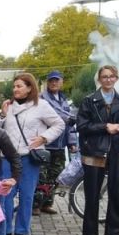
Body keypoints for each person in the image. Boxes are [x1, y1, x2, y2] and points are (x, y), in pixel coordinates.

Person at [0, 73, 65, 235]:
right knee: (5, 194)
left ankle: (22, 229)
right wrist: (2, 115)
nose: (15, 89)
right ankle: (5, 228)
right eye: (14, 86)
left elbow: (59, 124)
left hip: (29, 157)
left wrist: (44, 138)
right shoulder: (8, 106)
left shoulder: (42, 105)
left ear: (29, 88)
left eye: (19, 86)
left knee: (26, 195)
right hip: (7, 157)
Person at [76, 65, 119, 235]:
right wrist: (104, 127)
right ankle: (90, 234)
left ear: (116, 78)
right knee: (92, 194)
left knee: (116, 194)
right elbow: (82, 126)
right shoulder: (89, 100)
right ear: (99, 79)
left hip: (118, 151)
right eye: (104, 77)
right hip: (94, 151)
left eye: (111, 77)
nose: (108, 79)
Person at [37, 71, 74, 215]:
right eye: (51, 80)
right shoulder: (42, 98)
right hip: (45, 143)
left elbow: (70, 125)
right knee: (41, 175)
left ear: (61, 82)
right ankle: (35, 204)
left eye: (57, 80)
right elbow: (56, 117)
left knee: (55, 175)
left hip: (60, 144)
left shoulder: (64, 100)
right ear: (47, 82)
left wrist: (72, 142)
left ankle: (47, 203)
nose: (54, 83)